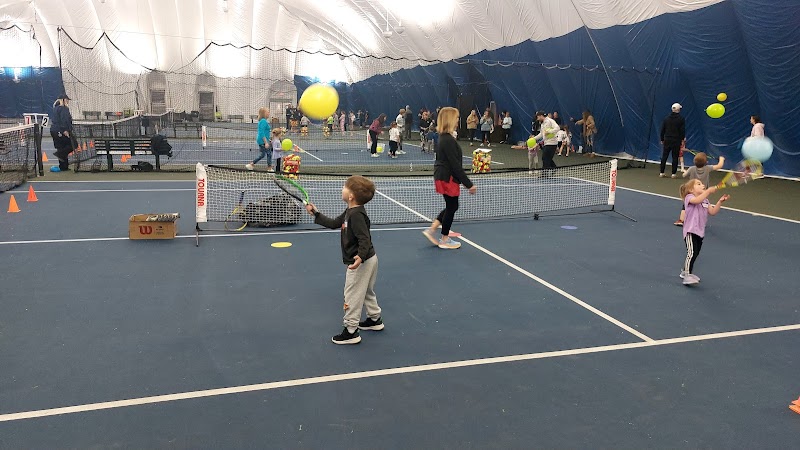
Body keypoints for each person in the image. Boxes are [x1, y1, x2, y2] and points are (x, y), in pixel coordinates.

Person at [305, 175, 383, 344]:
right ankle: (375, 319)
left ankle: (351, 331)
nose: (342, 188)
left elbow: (365, 239)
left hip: (361, 262)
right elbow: (334, 223)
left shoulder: (356, 215)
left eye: (344, 187)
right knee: (366, 291)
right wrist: (316, 213)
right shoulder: (350, 211)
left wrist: (360, 258)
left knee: (352, 294)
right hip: (367, 259)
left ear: (351, 196)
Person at [422, 107, 477, 249]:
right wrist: (469, 184)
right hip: (447, 177)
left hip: (443, 175)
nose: (458, 120)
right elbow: (455, 165)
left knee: (452, 205)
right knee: (452, 206)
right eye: (457, 118)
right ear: (450, 119)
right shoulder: (447, 140)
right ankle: (445, 239)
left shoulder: (445, 138)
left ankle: (432, 229)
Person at [679, 179, 729, 285]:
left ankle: (685, 271)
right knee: (691, 252)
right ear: (691, 189)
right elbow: (697, 201)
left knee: (695, 253)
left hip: (700, 232)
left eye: (702, 184)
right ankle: (687, 275)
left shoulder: (705, 200)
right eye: (699, 184)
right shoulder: (689, 198)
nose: (702, 185)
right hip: (690, 231)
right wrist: (708, 191)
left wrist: (720, 202)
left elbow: (712, 211)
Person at [674, 152, 725, 226]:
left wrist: (685, 171)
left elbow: (684, 175)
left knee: (685, 206)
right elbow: (719, 165)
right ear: (706, 162)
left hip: (692, 191)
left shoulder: (691, 168)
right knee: (702, 205)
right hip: (703, 192)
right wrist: (721, 159)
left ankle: (682, 220)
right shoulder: (707, 168)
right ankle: (698, 221)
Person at [50, 94, 75, 172]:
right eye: (66, 100)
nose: (68, 101)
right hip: (60, 131)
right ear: (63, 100)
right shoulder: (63, 109)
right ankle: (60, 155)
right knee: (73, 145)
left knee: (61, 147)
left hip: (54, 130)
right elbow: (64, 120)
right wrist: (65, 130)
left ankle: (63, 166)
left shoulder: (55, 108)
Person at [659, 103, 686, 178]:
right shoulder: (681, 119)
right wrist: (682, 139)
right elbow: (682, 130)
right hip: (676, 140)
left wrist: (662, 139)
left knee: (664, 156)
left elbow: (662, 130)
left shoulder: (666, 118)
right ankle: (673, 174)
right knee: (675, 157)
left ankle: (661, 172)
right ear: (678, 110)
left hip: (667, 139)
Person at [246, 107, 272, 171]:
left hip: (263, 140)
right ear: (264, 113)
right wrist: (266, 142)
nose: (269, 113)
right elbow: (261, 132)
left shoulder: (263, 121)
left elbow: (265, 132)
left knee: (263, 155)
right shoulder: (263, 121)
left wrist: (268, 139)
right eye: (268, 112)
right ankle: (269, 168)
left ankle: (251, 164)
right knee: (269, 154)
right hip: (262, 141)